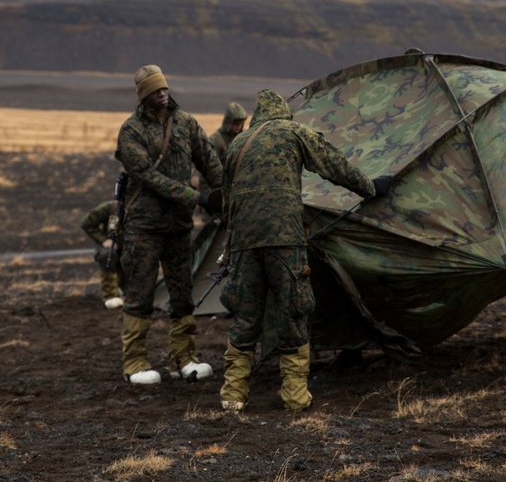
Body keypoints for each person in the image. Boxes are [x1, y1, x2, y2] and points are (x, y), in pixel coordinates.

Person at [217, 89, 392, 412]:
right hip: (285, 240)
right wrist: (370, 187)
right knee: (293, 310)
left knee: (246, 315)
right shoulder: (294, 132)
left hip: (244, 242)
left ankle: (232, 394)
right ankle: (295, 397)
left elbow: (227, 204)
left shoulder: (239, 144)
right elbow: (333, 165)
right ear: (283, 114)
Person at [115, 65, 224, 385]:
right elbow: (148, 176)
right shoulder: (131, 131)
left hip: (178, 226)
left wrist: (223, 194)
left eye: (164, 89)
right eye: (154, 91)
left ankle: (183, 358)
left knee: (182, 294)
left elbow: (210, 161)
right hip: (143, 228)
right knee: (139, 295)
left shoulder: (186, 123)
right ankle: (135, 363)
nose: (162, 94)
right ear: (143, 95)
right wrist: (196, 198)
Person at [79, 199, 124, 310]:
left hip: (132, 250)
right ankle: (110, 295)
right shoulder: (111, 208)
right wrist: (103, 240)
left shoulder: (144, 209)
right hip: (113, 247)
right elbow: (87, 223)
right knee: (107, 255)